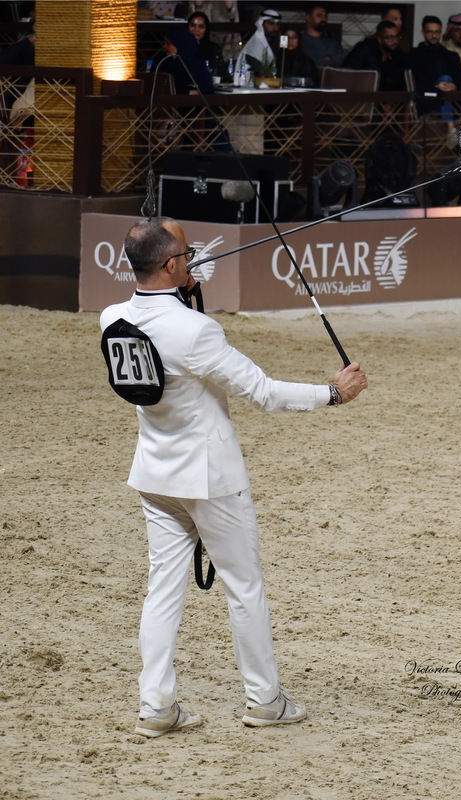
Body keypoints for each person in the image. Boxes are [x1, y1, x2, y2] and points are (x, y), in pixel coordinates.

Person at [100, 217, 368, 737]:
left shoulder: (112, 317)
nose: (194, 257)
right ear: (172, 264)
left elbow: (169, 343)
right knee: (244, 587)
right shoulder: (195, 330)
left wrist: (184, 291)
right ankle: (264, 699)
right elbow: (262, 392)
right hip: (211, 479)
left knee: (162, 591)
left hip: (156, 474)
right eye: (186, 253)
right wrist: (332, 393)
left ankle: (156, 706)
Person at [409, 15, 461, 117]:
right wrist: (436, 87)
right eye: (430, 32)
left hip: (452, 98)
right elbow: (417, 80)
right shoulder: (414, 55)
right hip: (427, 98)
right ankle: (450, 127)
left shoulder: (450, 56)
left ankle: (450, 127)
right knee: (444, 82)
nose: (434, 36)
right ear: (423, 33)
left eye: (437, 32)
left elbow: (460, 78)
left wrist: (454, 86)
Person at [343, 20, 406, 91]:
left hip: (388, 98)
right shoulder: (365, 49)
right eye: (390, 38)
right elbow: (347, 73)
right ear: (379, 39)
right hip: (362, 95)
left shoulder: (399, 55)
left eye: (397, 37)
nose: (395, 41)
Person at [236, 8, 282, 81]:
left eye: (277, 24)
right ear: (262, 23)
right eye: (271, 24)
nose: (275, 28)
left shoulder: (274, 41)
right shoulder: (255, 43)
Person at [300, 3, 348, 70]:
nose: (323, 19)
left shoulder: (331, 42)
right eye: (319, 16)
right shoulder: (301, 41)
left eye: (325, 16)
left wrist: (329, 59)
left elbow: (346, 57)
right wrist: (331, 60)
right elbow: (313, 63)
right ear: (308, 18)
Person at [186, 10, 224, 81]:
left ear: (206, 29)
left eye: (201, 26)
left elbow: (218, 73)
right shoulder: (180, 47)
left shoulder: (214, 48)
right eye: (193, 25)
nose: (196, 29)